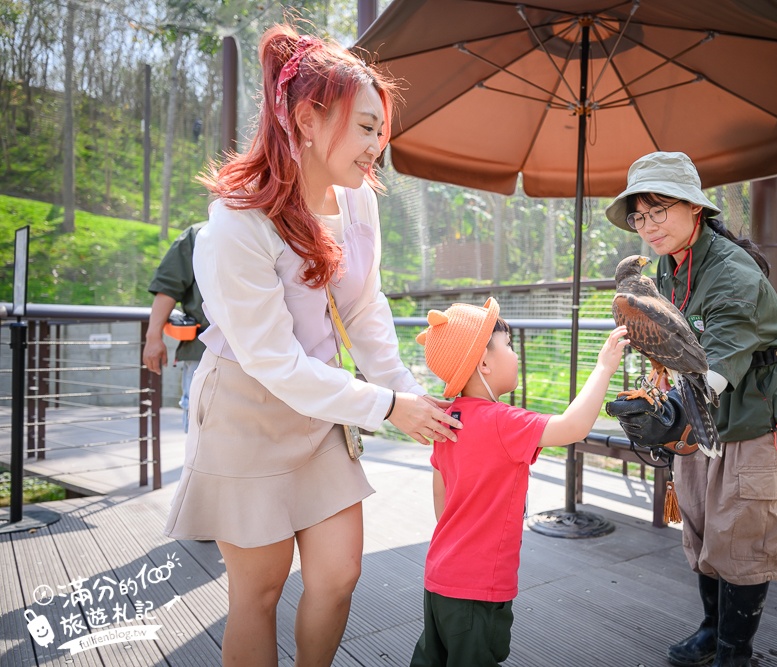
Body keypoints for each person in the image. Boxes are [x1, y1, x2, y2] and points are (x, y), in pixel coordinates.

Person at [162, 24, 462, 667]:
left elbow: (363, 308)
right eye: (365, 128)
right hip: (246, 405)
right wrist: (384, 408)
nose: (378, 146)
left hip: (323, 400)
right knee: (259, 590)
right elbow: (272, 360)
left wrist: (408, 394)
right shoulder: (236, 222)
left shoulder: (359, 202)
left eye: (381, 130)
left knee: (337, 574)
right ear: (305, 118)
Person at [605, 152, 777, 667]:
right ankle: (710, 628)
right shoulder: (665, 270)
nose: (648, 226)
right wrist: (659, 398)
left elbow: (715, 370)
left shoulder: (732, 273)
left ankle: (733, 652)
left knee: (742, 533)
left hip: (756, 417)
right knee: (699, 522)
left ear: (695, 209)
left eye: (660, 211)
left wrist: (672, 412)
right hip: (702, 415)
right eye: (640, 216)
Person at [409, 298, 629, 667]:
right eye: (508, 346)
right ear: (483, 363)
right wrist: (604, 367)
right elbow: (573, 427)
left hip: (441, 575)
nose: (515, 354)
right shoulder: (501, 420)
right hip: (478, 586)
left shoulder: (447, 420)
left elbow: (440, 493)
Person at [143, 221, 207, 433]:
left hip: (255, 353)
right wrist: (153, 338)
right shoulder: (198, 235)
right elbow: (168, 287)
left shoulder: (270, 232)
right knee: (199, 421)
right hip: (202, 353)